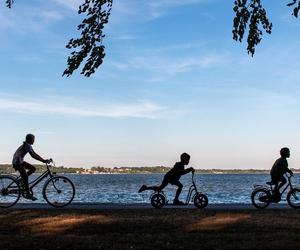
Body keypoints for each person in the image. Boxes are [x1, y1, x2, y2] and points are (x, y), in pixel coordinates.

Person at [12, 134, 51, 200]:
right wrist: (43, 160)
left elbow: (35, 154)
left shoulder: (27, 145)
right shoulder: (27, 145)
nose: (34, 141)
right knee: (25, 177)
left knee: (33, 168)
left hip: (20, 161)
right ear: (30, 140)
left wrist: (43, 160)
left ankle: (21, 180)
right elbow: (33, 155)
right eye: (33, 139)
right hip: (17, 163)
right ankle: (27, 194)